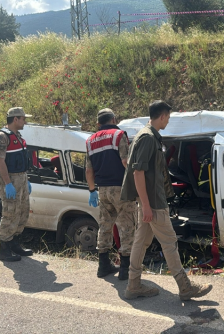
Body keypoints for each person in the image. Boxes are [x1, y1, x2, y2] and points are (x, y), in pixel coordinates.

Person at [120, 100, 212, 300]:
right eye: (168, 117)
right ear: (161, 116)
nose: (168, 121)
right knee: (169, 242)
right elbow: (137, 172)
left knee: (141, 242)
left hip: (149, 200)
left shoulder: (147, 135)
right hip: (152, 202)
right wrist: (145, 205)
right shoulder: (147, 138)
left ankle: (133, 285)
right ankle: (185, 286)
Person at [85, 108, 137, 280]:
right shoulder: (118, 135)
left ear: (98, 123)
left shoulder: (90, 140)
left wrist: (92, 190)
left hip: (102, 190)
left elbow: (89, 170)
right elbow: (125, 162)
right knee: (126, 226)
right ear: (114, 119)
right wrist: (136, 184)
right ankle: (124, 269)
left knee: (105, 226)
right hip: (121, 188)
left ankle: (103, 265)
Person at [0, 107, 34, 262]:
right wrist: (8, 183)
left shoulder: (18, 136)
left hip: (21, 178)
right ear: (15, 119)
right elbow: (0, 160)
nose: (25, 121)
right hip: (10, 179)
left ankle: (15, 244)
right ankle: (4, 250)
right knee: (10, 213)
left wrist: (26, 179)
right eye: (23, 118)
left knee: (22, 212)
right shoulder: (2, 137)